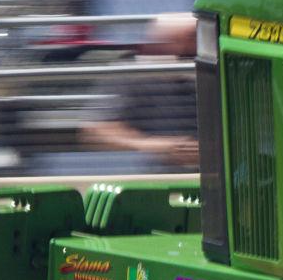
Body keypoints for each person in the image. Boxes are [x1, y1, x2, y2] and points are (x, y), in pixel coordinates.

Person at [78, 12, 200, 173]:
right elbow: (96, 131)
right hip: (158, 177)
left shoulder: (211, 72)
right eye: (188, 41)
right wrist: (161, 146)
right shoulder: (131, 74)